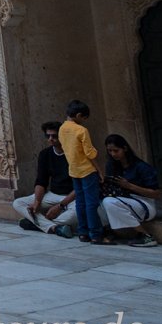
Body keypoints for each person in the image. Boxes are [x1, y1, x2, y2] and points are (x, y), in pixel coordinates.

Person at [15, 121, 79, 235]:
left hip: (72, 196)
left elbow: (80, 186)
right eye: (48, 136)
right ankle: (55, 228)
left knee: (78, 210)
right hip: (53, 194)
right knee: (18, 203)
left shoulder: (74, 153)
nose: (50, 139)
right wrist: (37, 202)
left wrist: (60, 206)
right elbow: (41, 181)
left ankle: (38, 224)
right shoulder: (45, 154)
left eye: (54, 136)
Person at [98, 134, 162, 248]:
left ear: (125, 148)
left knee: (109, 202)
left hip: (144, 203)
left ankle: (146, 235)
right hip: (121, 199)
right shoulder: (111, 165)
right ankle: (109, 231)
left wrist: (129, 186)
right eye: (110, 151)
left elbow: (156, 194)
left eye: (116, 150)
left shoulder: (141, 167)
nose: (113, 154)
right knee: (97, 201)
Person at [60, 99, 105, 243]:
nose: (84, 121)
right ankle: (95, 234)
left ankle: (83, 232)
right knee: (91, 203)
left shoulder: (62, 129)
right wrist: (100, 170)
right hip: (87, 170)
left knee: (80, 202)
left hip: (74, 170)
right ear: (79, 115)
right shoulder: (81, 130)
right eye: (84, 118)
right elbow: (90, 154)